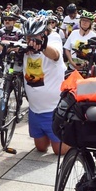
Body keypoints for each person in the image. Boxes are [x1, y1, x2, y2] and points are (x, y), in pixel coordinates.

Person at [21, 16, 68, 154]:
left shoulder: (53, 39)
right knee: (41, 148)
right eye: (28, 37)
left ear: (44, 33)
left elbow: (55, 54)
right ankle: (52, 136)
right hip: (35, 110)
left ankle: (74, 137)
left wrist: (42, 46)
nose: (31, 40)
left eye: (34, 36)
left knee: (60, 151)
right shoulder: (26, 45)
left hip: (53, 109)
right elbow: (1, 46)